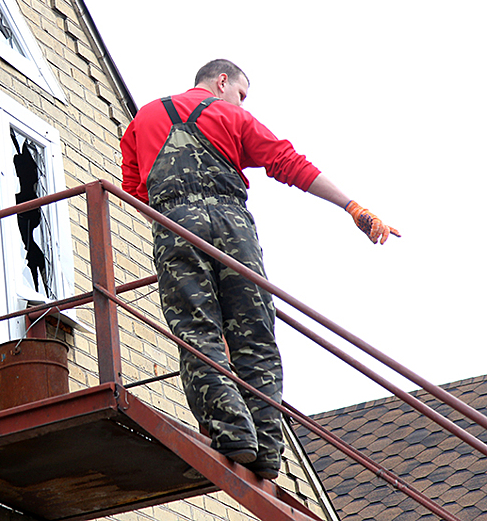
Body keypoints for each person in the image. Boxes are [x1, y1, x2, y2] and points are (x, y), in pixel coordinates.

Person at [119, 59, 399, 479]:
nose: (243, 102)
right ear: (222, 81)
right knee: (255, 333)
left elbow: (134, 190)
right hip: (233, 228)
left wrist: (176, 231)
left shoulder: (143, 120)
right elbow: (288, 163)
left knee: (198, 332)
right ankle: (267, 450)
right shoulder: (231, 114)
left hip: (176, 225)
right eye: (242, 93)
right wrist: (350, 205)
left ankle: (232, 433)